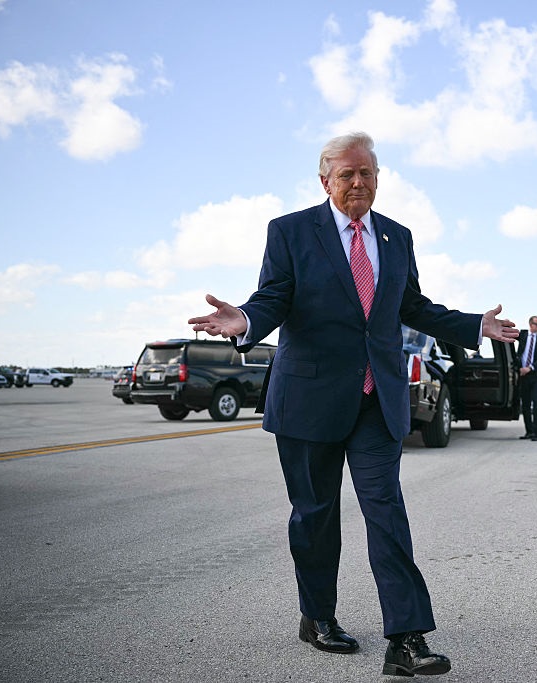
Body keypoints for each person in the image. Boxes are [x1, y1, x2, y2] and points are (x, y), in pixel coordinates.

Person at [188, 132, 518, 678]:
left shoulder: (396, 236)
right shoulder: (291, 231)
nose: (359, 182)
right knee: (315, 515)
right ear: (326, 182)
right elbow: (274, 296)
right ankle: (318, 616)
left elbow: (412, 305)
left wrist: (471, 325)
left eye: (367, 173)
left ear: (378, 179)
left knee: (386, 512)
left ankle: (406, 639)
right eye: (347, 174)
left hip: (375, 399)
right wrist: (244, 319)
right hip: (309, 398)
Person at [516, 316, 537, 440]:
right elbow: (510, 336)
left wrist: (530, 368)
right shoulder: (523, 335)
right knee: (525, 404)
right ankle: (529, 431)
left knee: (536, 403)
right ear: (531, 324)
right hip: (523, 376)